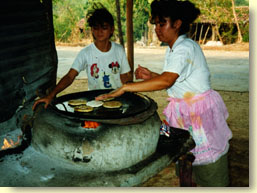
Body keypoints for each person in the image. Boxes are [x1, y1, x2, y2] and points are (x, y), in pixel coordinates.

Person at [96, 0, 232, 187]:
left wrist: (127, 87)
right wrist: (152, 76)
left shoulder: (184, 48)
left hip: (200, 117)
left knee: (210, 169)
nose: (157, 29)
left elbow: (167, 81)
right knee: (184, 159)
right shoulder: (173, 48)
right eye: (156, 24)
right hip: (185, 116)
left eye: (162, 24)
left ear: (177, 24)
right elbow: (177, 81)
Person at [32, 3, 132, 110]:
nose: (100, 31)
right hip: (95, 101)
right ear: (92, 30)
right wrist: (51, 95)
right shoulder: (86, 53)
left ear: (111, 29)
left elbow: (125, 77)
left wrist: (132, 93)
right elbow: (70, 77)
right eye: (96, 28)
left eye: (104, 27)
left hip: (116, 99)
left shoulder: (119, 50)